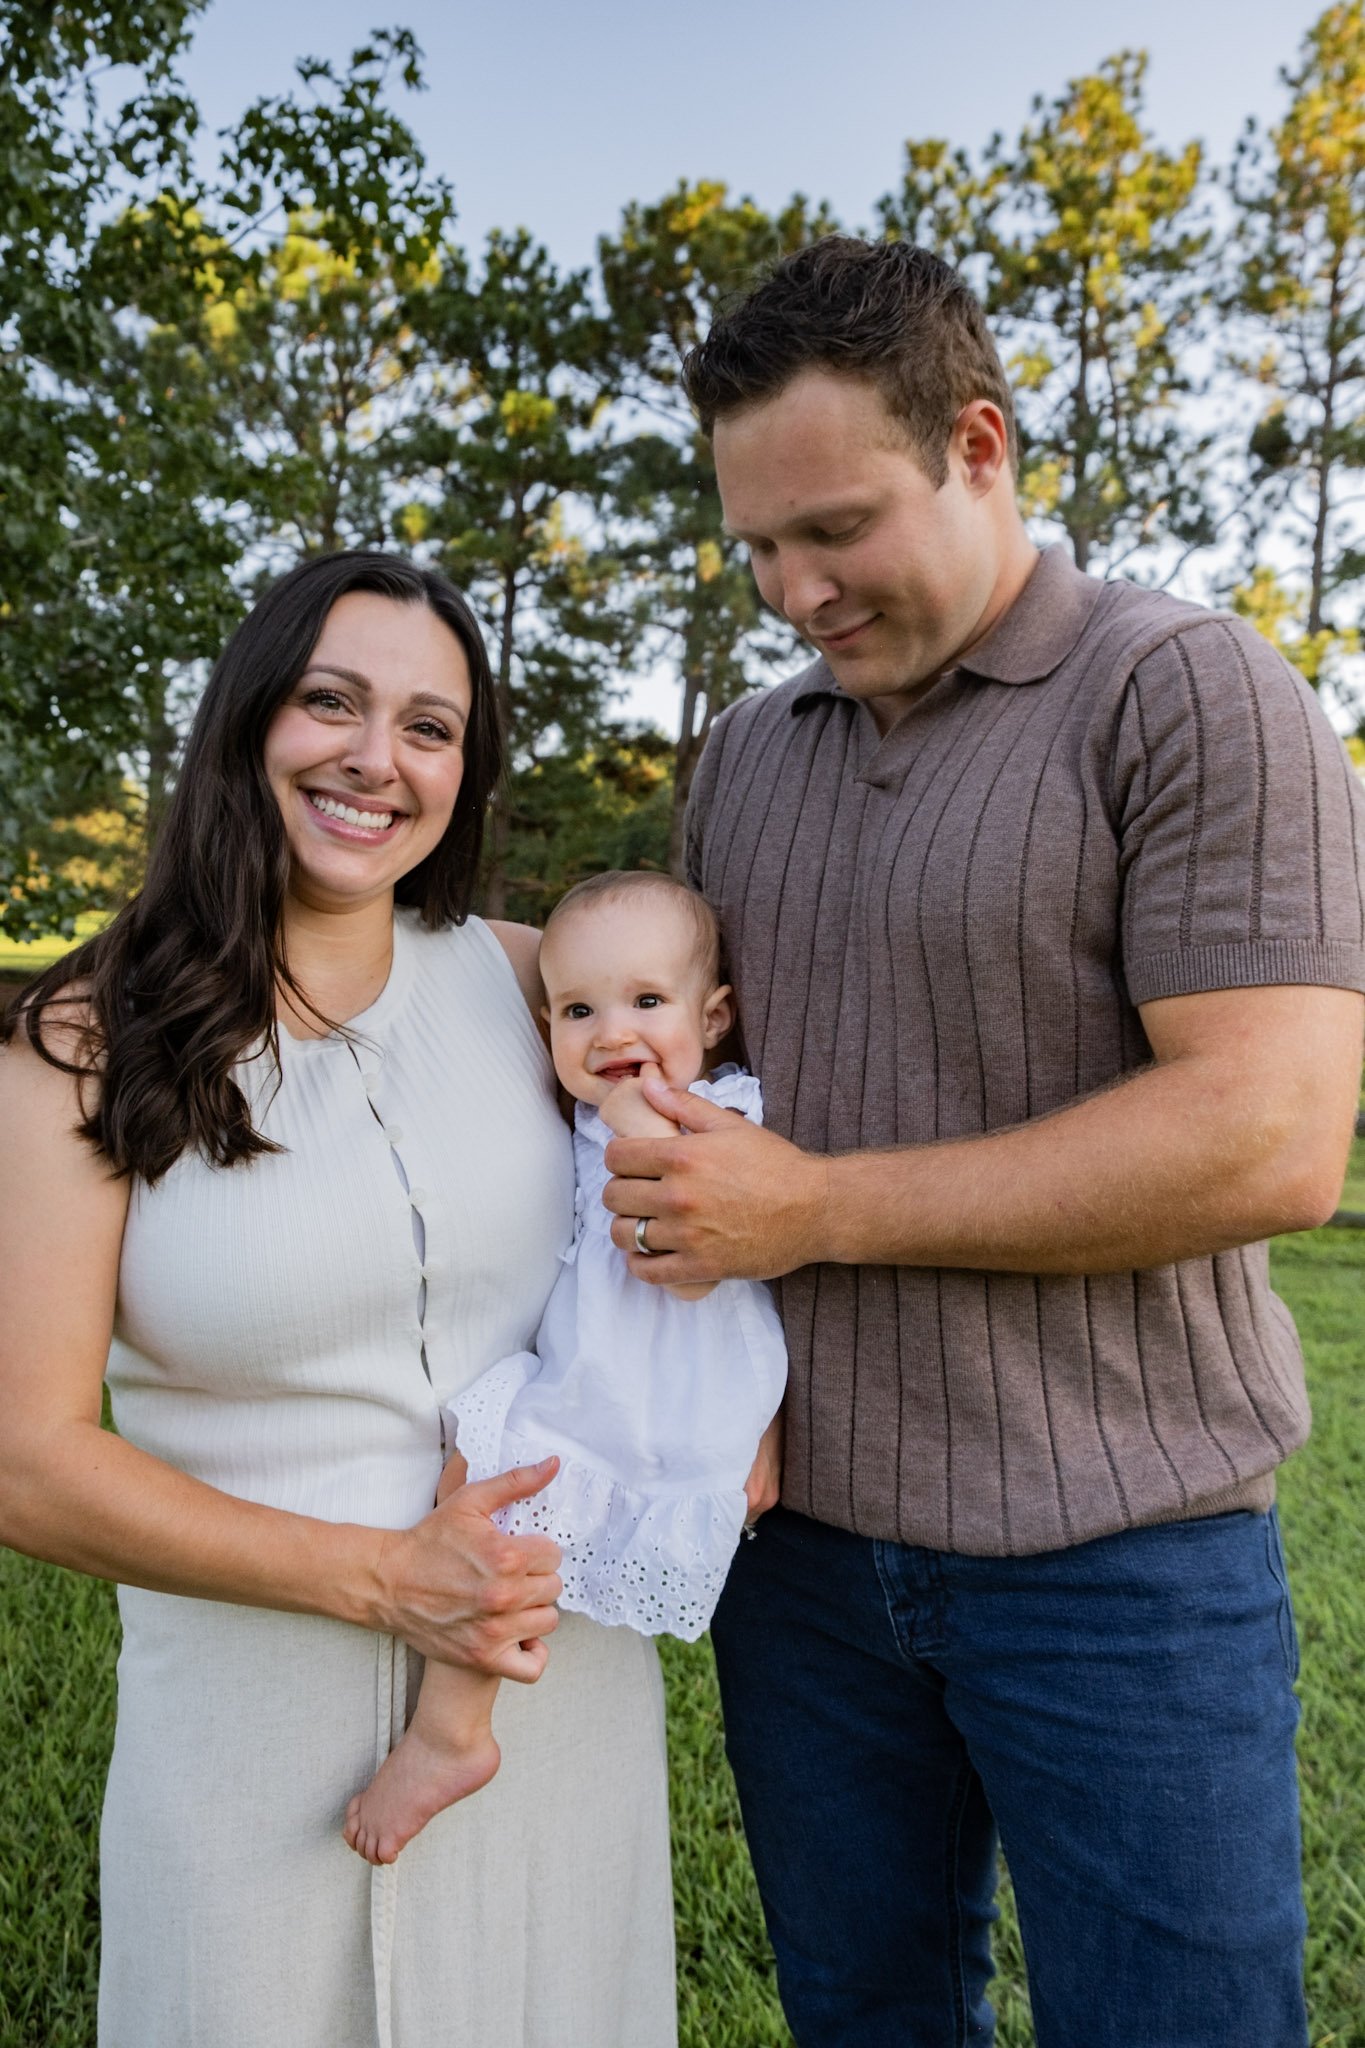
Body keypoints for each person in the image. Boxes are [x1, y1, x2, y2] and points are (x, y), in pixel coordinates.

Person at [597, 237, 1365, 2047]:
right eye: (756, 546)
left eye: (835, 529)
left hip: (1122, 1558)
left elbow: (1268, 1137)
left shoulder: (1185, 688)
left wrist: (819, 1209)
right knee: (865, 2017)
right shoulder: (745, 757)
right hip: (801, 1565)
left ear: (979, 445)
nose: (793, 589)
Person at [0, 552, 676, 2048]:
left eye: (431, 728)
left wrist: (742, 1408)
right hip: (252, 1729)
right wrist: (381, 1576)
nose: (378, 759)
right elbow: (23, 1459)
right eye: (332, 703)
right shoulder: (82, 1043)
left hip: (547, 1696)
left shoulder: (530, 986)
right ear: (248, 719)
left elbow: (705, 1197)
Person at [345, 870, 787, 1865]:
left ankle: (450, 1734)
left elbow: (687, 1269)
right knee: (487, 1499)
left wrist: (634, 1118)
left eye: (646, 1000)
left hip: (667, 1392)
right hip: (599, 1376)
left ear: (713, 1018)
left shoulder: (721, 1115)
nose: (611, 1031)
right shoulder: (586, 1119)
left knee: (502, 1508)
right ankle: (457, 1720)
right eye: (578, 1011)